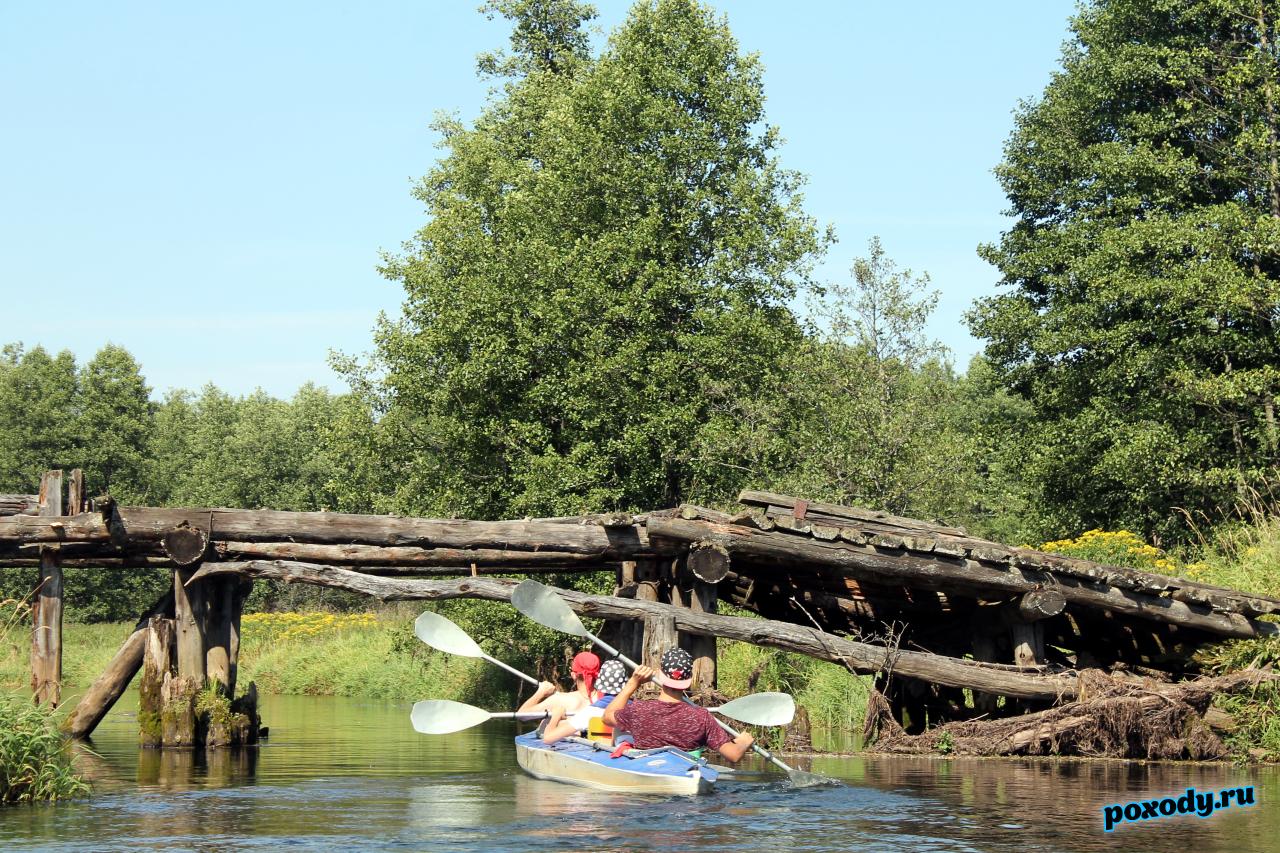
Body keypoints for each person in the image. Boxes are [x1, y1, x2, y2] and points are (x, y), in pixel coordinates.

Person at [603, 647, 755, 762]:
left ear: (660, 674)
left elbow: (607, 717)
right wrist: (743, 742)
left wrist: (633, 683)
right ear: (688, 679)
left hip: (647, 769)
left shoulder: (639, 709)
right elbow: (733, 755)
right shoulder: (702, 717)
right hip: (684, 773)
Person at [517, 651, 600, 745]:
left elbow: (522, 716)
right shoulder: (606, 700)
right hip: (592, 745)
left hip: (566, 749)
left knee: (546, 722)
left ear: (573, 675)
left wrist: (541, 692)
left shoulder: (562, 700)